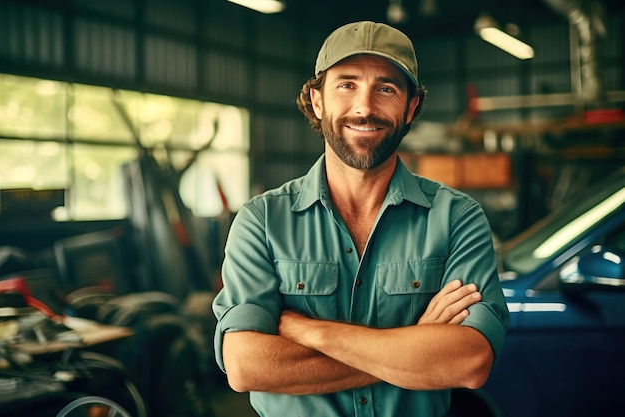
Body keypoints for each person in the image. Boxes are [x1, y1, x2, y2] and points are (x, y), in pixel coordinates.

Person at [212, 20, 509, 417]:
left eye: (385, 88)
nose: (365, 107)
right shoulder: (262, 221)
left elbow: (468, 362)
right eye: (346, 85)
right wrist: (414, 350)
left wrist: (308, 330)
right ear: (318, 101)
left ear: (411, 107)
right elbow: (246, 365)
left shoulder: (456, 217)